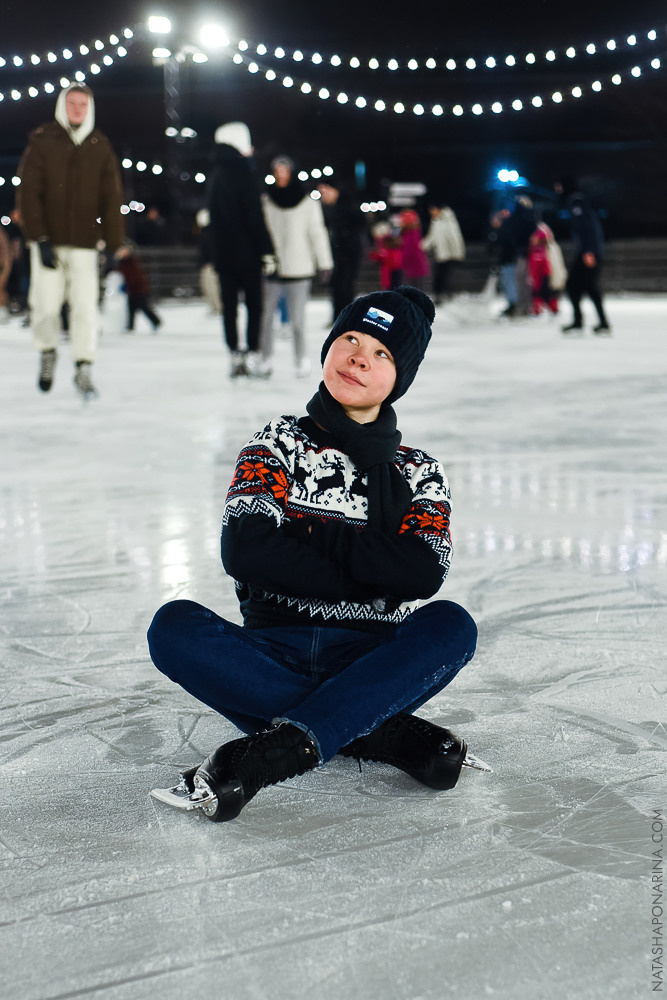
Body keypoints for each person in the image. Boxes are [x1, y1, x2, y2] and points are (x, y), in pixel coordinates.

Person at [147, 285, 489, 824]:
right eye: (350, 339)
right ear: (328, 347)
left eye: (382, 353)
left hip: (373, 660)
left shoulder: (419, 470)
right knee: (173, 627)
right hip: (266, 653)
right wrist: (376, 570)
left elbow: (421, 573)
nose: (359, 358)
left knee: (451, 626)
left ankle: (269, 755)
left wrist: (304, 532)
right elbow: (247, 551)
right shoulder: (276, 443)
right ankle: (383, 732)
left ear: (401, 377)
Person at [17, 83, 125, 397]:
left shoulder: (100, 146)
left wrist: (113, 243)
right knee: (46, 306)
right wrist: (39, 238)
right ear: (62, 105)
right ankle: (47, 352)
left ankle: (83, 366)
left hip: (85, 244)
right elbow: (28, 193)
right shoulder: (42, 141)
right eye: (72, 103)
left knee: (85, 308)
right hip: (49, 241)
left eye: (83, 104)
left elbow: (112, 198)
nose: (77, 109)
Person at [208, 122, 276, 378]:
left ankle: (234, 355)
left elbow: (213, 221)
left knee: (229, 306)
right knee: (254, 305)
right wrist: (267, 250)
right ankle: (252, 354)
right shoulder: (245, 173)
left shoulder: (215, 175)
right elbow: (254, 217)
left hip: (224, 255)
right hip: (247, 254)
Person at [260, 155, 333, 379]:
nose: (280, 174)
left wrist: (325, 262)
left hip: (299, 267)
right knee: (265, 317)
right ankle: (266, 359)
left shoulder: (308, 202)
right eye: (277, 170)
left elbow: (317, 233)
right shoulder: (266, 200)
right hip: (271, 267)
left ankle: (301, 359)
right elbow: (259, 232)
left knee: (298, 320)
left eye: (284, 170)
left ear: (292, 172)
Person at [556, 177, 610, 334]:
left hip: (587, 253)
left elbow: (588, 228)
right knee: (582, 287)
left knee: (579, 286)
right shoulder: (577, 201)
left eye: (559, 186)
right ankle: (588, 322)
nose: (557, 190)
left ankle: (587, 322)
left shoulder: (576, 203)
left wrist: (589, 251)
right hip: (586, 252)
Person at [317, 180, 364, 321]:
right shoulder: (326, 208)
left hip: (348, 254)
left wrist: (345, 235)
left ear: (334, 190)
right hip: (335, 255)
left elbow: (360, 224)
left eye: (325, 192)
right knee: (336, 287)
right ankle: (338, 316)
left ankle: (346, 317)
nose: (323, 195)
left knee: (345, 287)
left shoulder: (348, 206)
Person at [420, 203, 465, 304]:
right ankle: (440, 294)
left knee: (443, 275)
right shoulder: (436, 221)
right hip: (440, 253)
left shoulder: (448, 220)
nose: (431, 213)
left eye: (432, 210)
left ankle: (442, 294)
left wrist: (459, 253)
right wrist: (423, 245)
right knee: (439, 275)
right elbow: (432, 235)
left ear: (438, 209)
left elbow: (455, 238)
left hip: (448, 254)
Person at [113, 244, 161, 332]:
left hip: (138, 289)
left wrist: (127, 286)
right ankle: (130, 326)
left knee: (143, 307)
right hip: (133, 290)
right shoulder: (123, 262)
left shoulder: (131, 262)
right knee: (132, 308)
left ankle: (156, 321)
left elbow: (134, 277)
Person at [195, 208, 222, 316]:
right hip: (207, 264)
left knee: (213, 288)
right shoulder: (206, 233)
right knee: (208, 287)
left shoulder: (212, 232)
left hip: (212, 264)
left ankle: (218, 307)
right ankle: (214, 306)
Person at [398, 210, 429, 290]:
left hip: (413, 266)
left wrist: (403, 261)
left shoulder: (411, 233)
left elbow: (410, 251)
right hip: (414, 266)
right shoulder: (412, 232)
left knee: (414, 289)